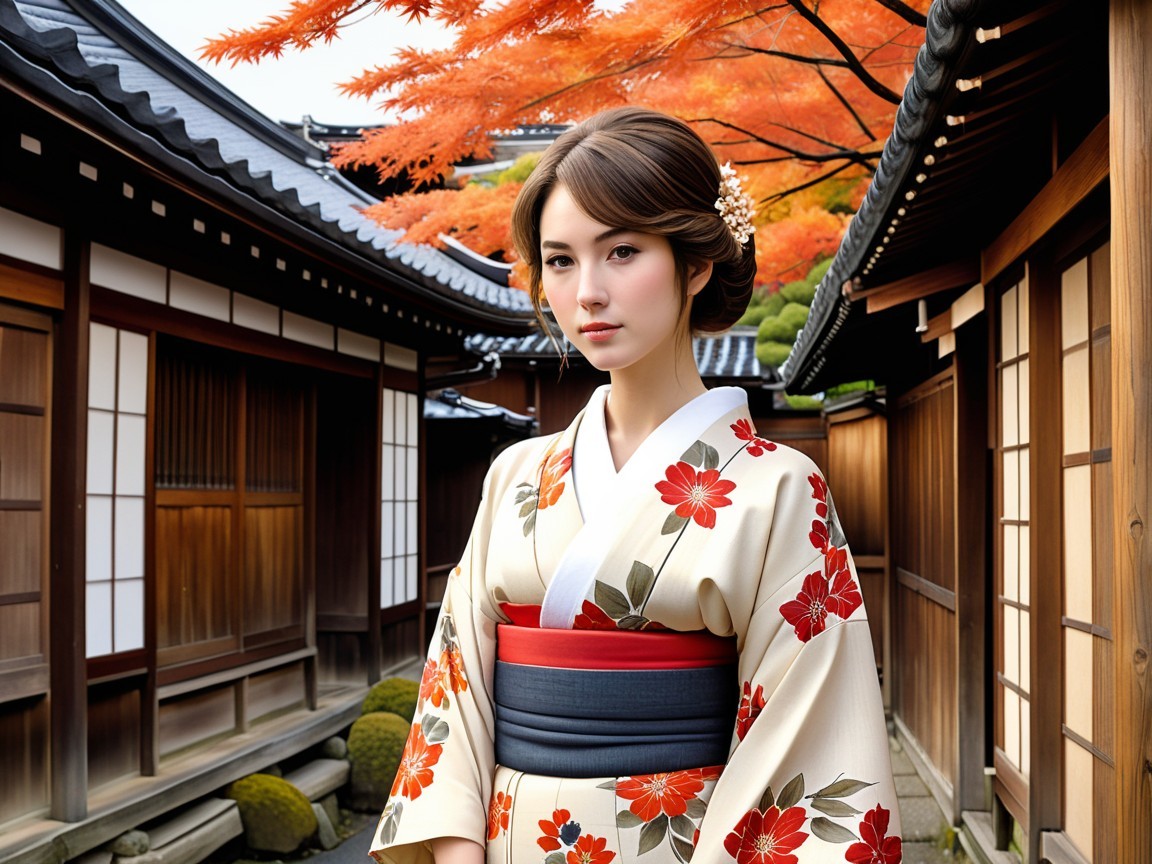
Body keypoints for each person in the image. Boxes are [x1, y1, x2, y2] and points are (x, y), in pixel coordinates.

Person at [370, 107, 901, 864]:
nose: (586, 292)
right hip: (503, 842)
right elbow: (454, 690)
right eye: (559, 260)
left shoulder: (779, 488)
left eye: (620, 251)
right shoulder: (516, 475)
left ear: (695, 263)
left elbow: (808, 734)